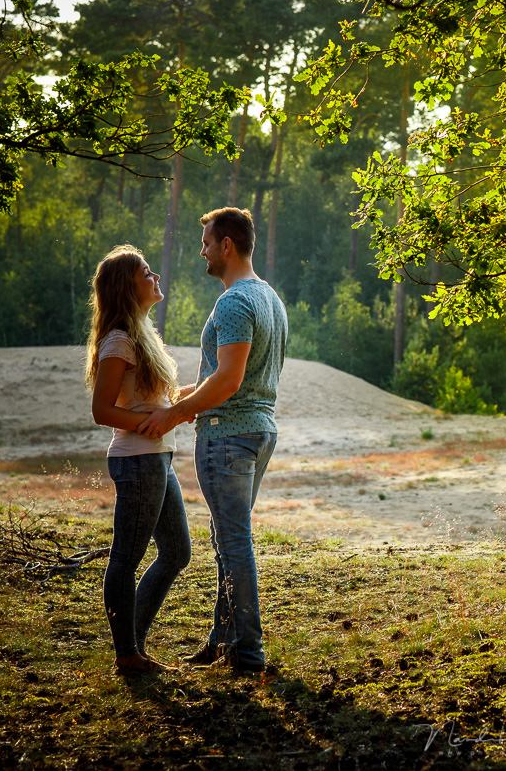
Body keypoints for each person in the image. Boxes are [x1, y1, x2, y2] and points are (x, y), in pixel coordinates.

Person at [138, 207, 287, 676]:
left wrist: (176, 415)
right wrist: (171, 397)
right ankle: (222, 640)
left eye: (206, 242)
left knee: (234, 542)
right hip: (259, 431)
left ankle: (247, 654)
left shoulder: (234, 302)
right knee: (228, 540)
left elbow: (227, 380)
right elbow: (222, 378)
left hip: (229, 436)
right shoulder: (270, 298)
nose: (200, 250)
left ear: (227, 245)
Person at [85, 245, 192, 677]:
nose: (156, 279)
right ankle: (127, 655)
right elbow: (102, 411)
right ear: (127, 287)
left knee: (177, 551)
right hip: (138, 460)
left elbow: (157, 402)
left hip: (157, 459)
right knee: (125, 559)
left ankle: (134, 645)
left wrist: (199, 395)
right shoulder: (119, 339)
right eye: (148, 273)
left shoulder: (141, 333)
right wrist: (150, 421)